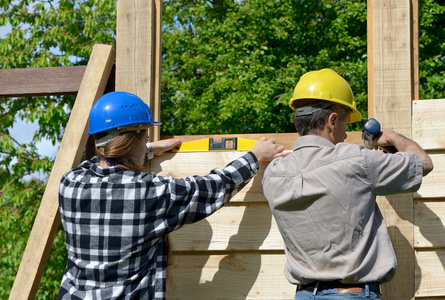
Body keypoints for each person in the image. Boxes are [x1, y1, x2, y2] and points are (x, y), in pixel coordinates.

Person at [58, 91, 286, 300]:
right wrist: (254, 157)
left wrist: (147, 149)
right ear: (135, 139)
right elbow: (212, 187)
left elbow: (99, 164)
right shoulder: (148, 192)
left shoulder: (70, 183)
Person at [262, 68, 433, 299]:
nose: (345, 135)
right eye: (345, 123)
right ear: (332, 120)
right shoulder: (356, 160)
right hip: (351, 294)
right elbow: (423, 163)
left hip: (303, 295)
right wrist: (392, 137)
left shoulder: (272, 174)